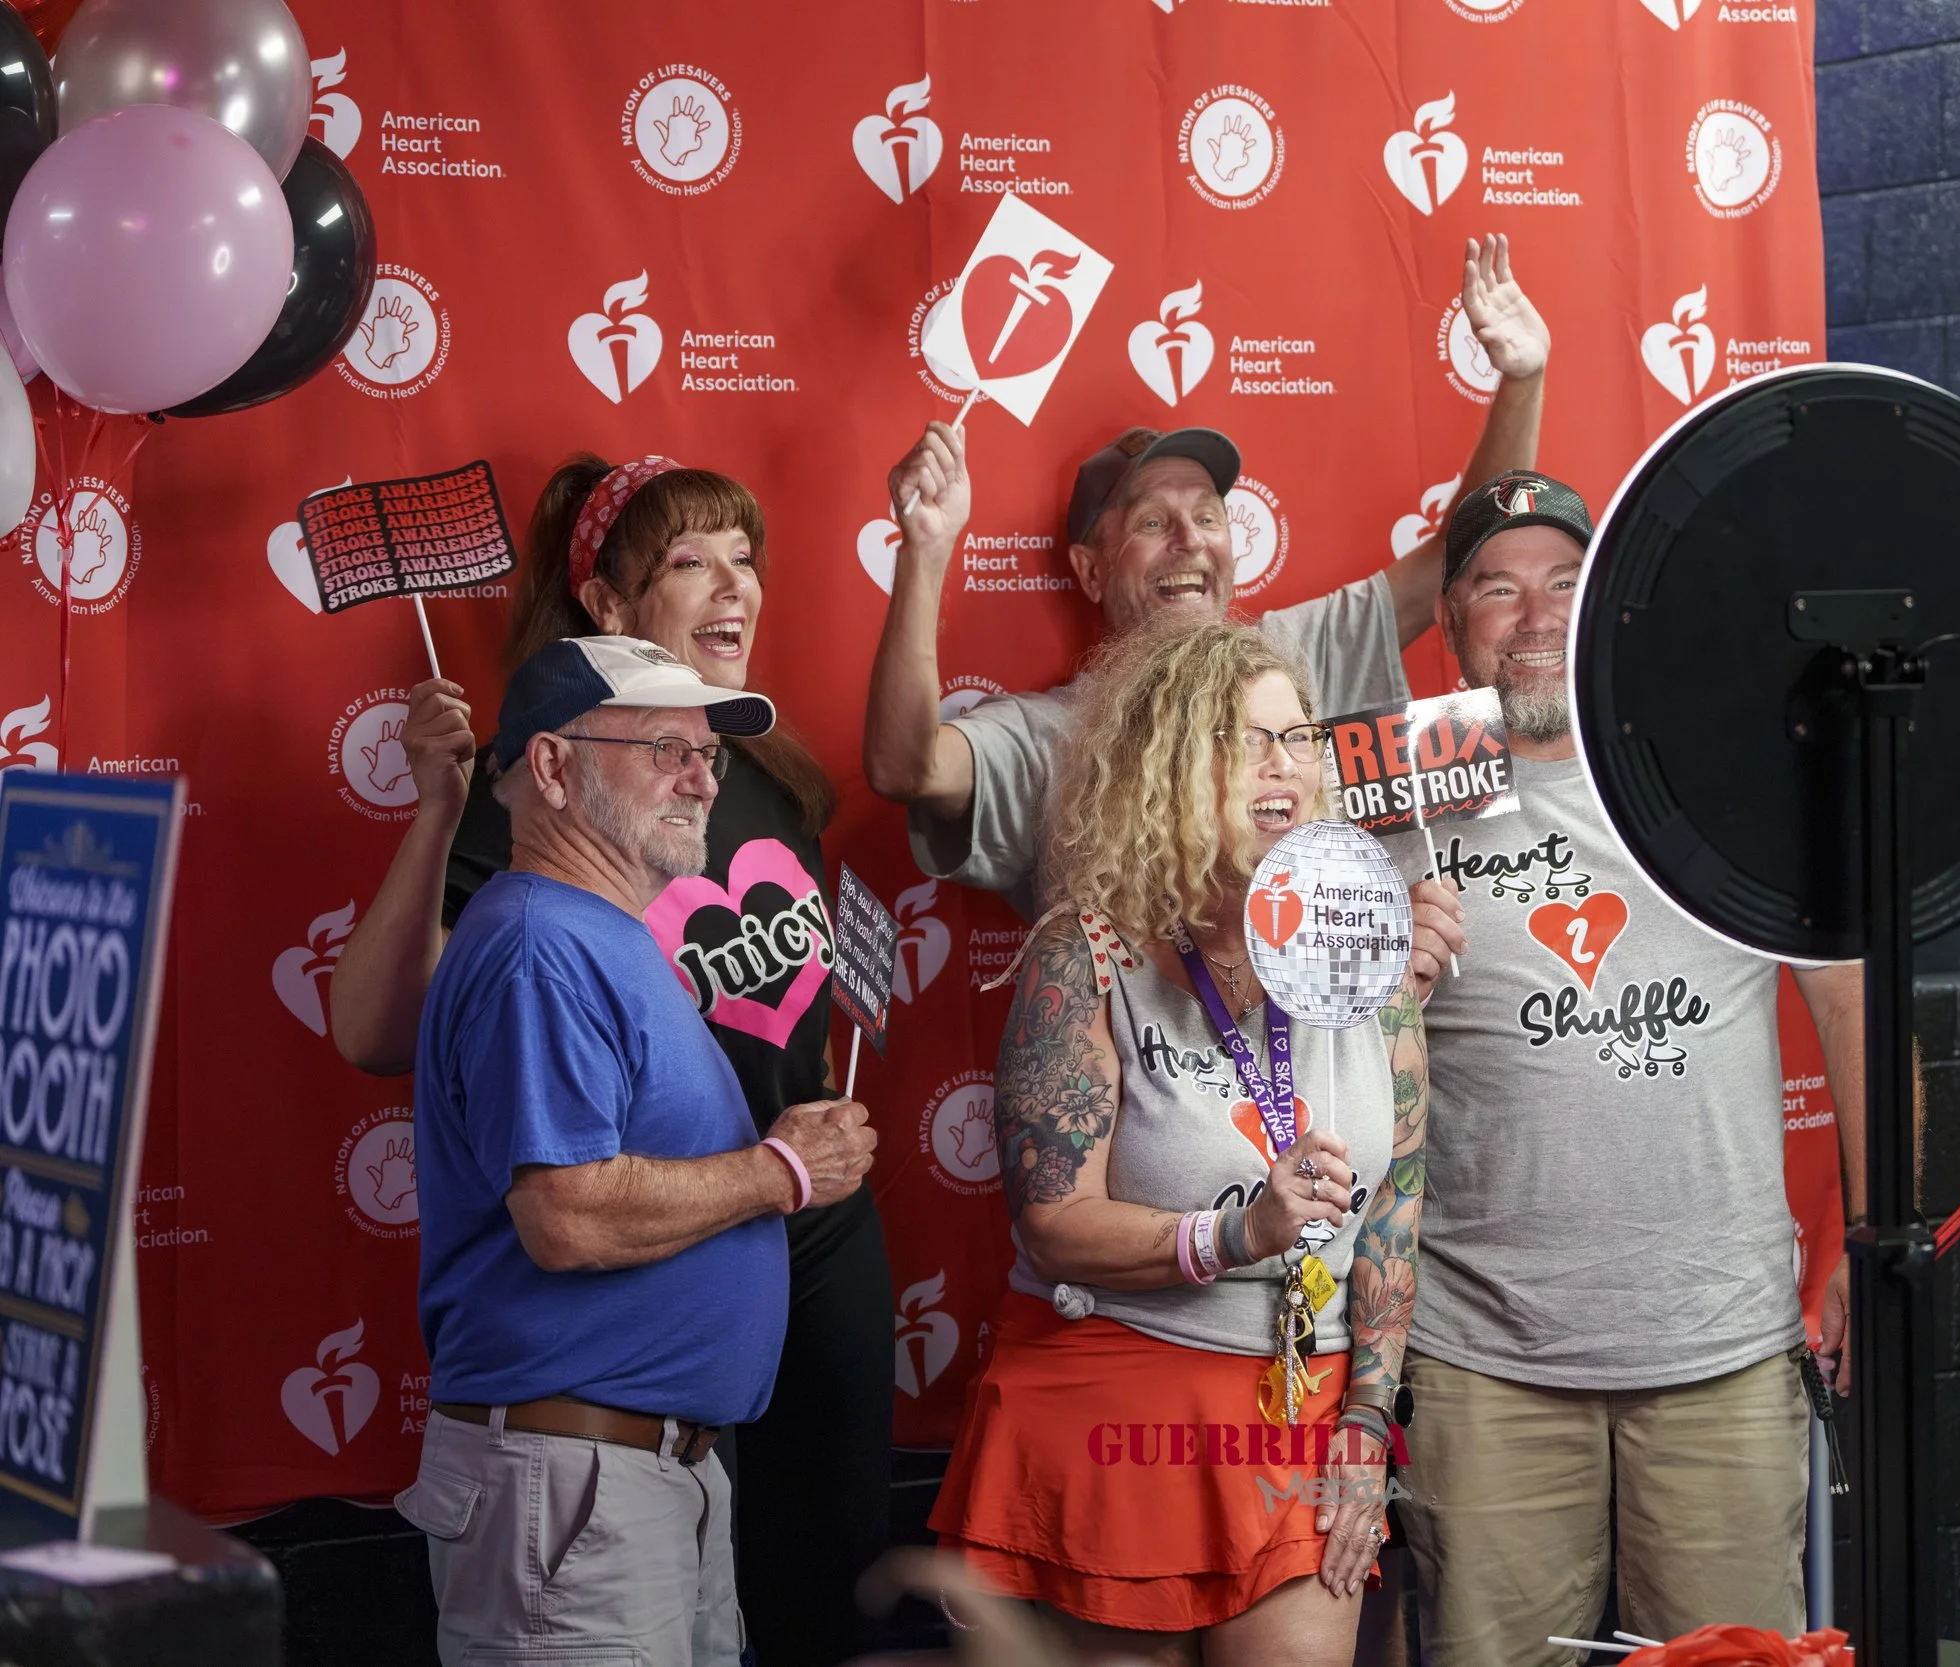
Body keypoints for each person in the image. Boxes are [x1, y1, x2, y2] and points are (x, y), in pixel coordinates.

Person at [328, 457, 889, 1662]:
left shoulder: (684, 852)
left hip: (683, 1419)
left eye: (707, 755)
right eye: (690, 558)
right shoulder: (540, 918)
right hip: (586, 1446)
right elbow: (560, 1208)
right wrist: (776, 1172)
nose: (699, 774)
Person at [1385, 472, 1871, 1663]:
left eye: (1565, 581)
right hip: (1478, 1356)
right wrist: (1380, 967)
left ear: (1609, 606)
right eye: (1498, 588)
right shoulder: (1394, 805)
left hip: (1719, 1347)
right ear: (1450, 621)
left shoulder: (1725, 779)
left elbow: (1852, 995)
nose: (1535, 612)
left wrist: (1869, 1233)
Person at [929, 622, 1431, 1667]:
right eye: (1243, 740)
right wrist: (1240, 1230)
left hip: (1305, 1408)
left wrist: (1370, 1415)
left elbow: (1393, 1206)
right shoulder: (1088, 949)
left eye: (1297, 738)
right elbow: (1054, 1224)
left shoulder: (1362, 951)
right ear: (1166, 763)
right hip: (1113, 1403)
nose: (1281, 764)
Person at [864, 235, 1551, 914]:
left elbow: (1457, 555)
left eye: (1209, 516)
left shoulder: (1300, 652)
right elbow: (906, 766)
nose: (1190, 541)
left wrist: (1522, 380)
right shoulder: (1049, 735)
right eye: (1153, 523)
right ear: (1091, 570)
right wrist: (924, 551)